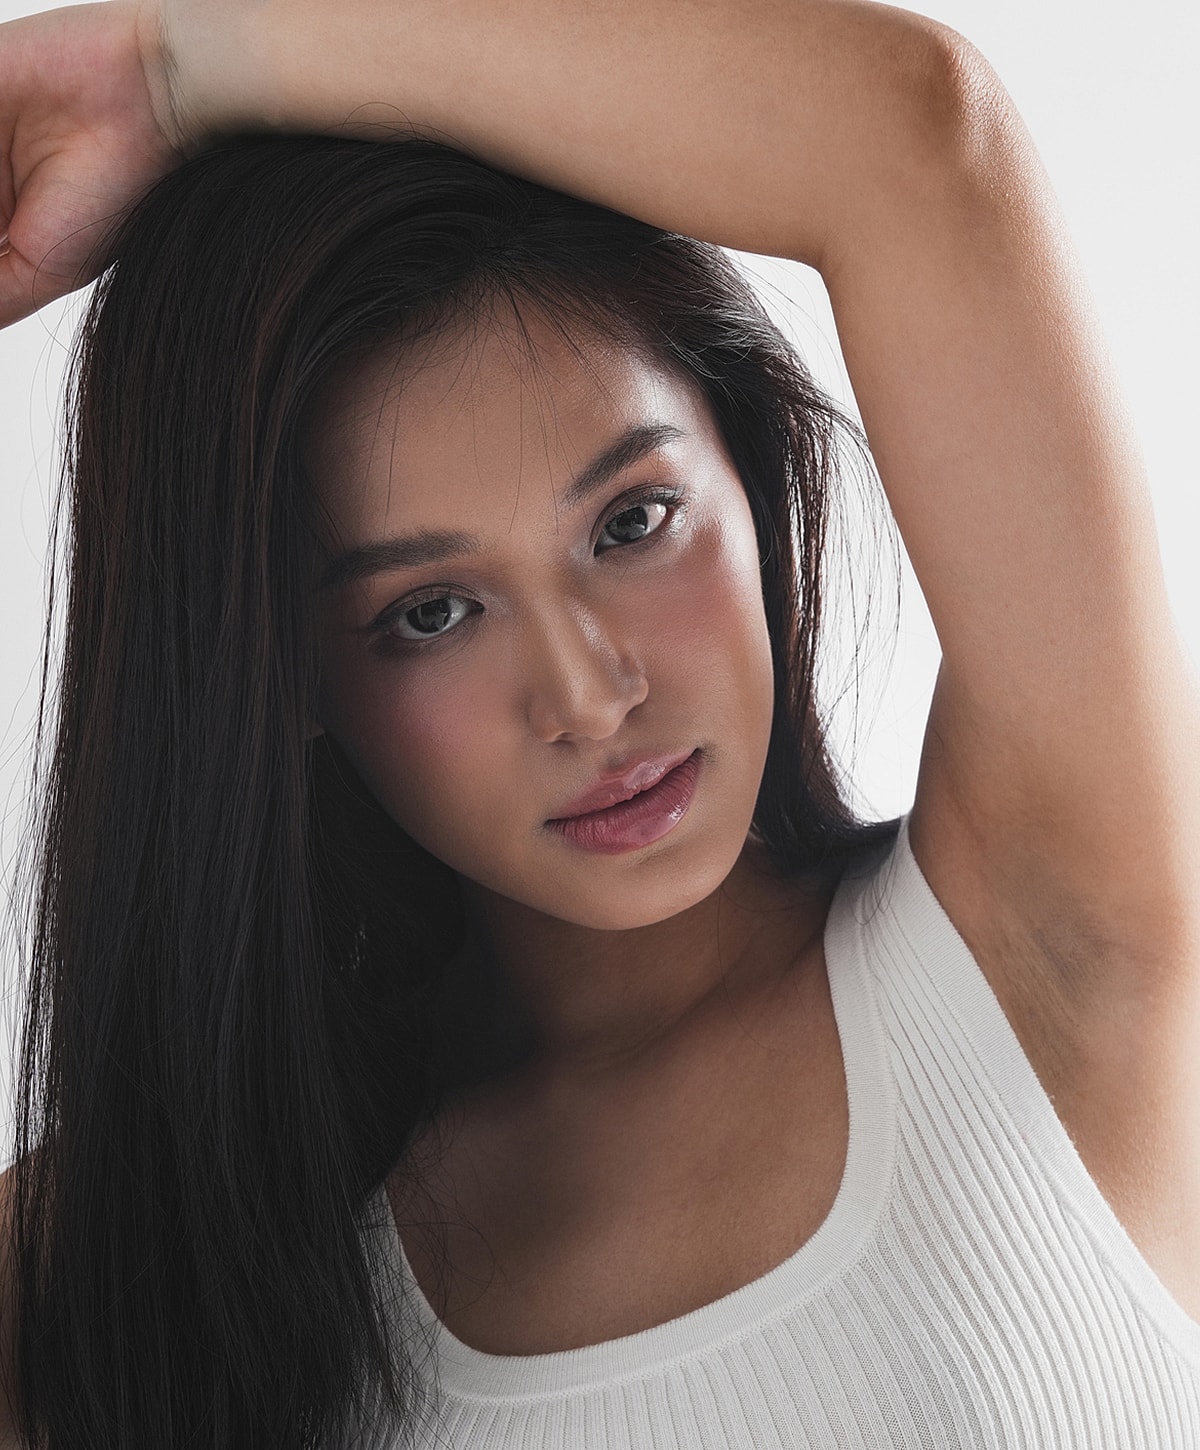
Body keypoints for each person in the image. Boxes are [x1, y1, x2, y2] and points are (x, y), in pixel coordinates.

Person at [0, 0, 1197, 1446]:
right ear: (288, 685)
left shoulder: (1046, 944)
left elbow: (915, 138)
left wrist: (172, 65)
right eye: (429, 612)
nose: (588, 694)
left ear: (752, 478)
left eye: (633, 520)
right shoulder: (141, 1266)